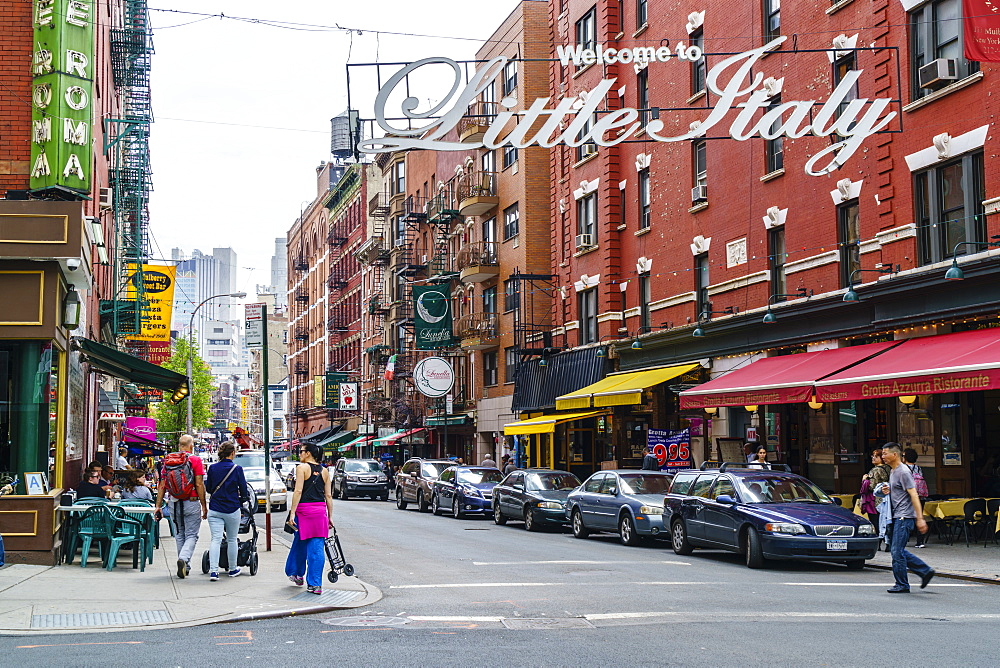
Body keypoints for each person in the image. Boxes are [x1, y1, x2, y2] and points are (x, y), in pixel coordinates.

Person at [880, 442, 934, 594]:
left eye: (885, 453)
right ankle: (925, 571)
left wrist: (920, 518)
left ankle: (902, 584)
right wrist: (887, 490)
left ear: (894, 454)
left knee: (896, 551)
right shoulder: (893, 471)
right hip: (897, 516)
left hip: (904, 516)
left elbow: (914, 494)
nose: (883, 456)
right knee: (898, 549)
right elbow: (899, 492)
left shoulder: (903, 471)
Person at [155, 434, 208, 579]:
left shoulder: (168, 461)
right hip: (191, 501)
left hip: (174, 501)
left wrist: (158, 506)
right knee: (191, 534)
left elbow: (162, 485)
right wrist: (203, 505)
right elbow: (199, 484)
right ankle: (184, 559)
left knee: (179, 534)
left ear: (179, 445)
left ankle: (186, 566)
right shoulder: (195, 460)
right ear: (191, 446)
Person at [286, 442, 334, 595]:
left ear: (308, 453)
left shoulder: (302, 468)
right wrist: (330, 517)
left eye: (301, 451)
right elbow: (328, 495)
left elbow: (298, 491)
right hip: (320, 512)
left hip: (304, 511)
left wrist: (292, 512)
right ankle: (315, 584)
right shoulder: (325, 471)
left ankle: (297, 573)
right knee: (317, 548)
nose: (299, 454)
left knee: (300, 543)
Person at [205, 442, 249, 581]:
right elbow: (243, 490)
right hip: (232, 509)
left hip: (215, 509)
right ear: (232, 453)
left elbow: (209, 488)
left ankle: (213, 571)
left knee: (216, 539)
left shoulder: (212, 468)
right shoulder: (237, 469)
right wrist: (242, 500)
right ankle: (232, 568)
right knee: (231, 539)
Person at [861, 449, 890, 534]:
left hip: (875, 500)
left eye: (876, 456)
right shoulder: (888, 468)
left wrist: (864, 480)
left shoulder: (875, 470)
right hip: (886, 499)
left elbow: (871, 487)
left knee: (876, 522)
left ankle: (879, 541)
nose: (873, 458)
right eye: (872, 456)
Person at [903, 447, 928, 547]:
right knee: (919, 516)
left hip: (908, 497)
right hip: (920, 496)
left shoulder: (903, 469)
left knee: (906, 518)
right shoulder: (918, 468)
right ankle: (920, 541)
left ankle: (904, 539)